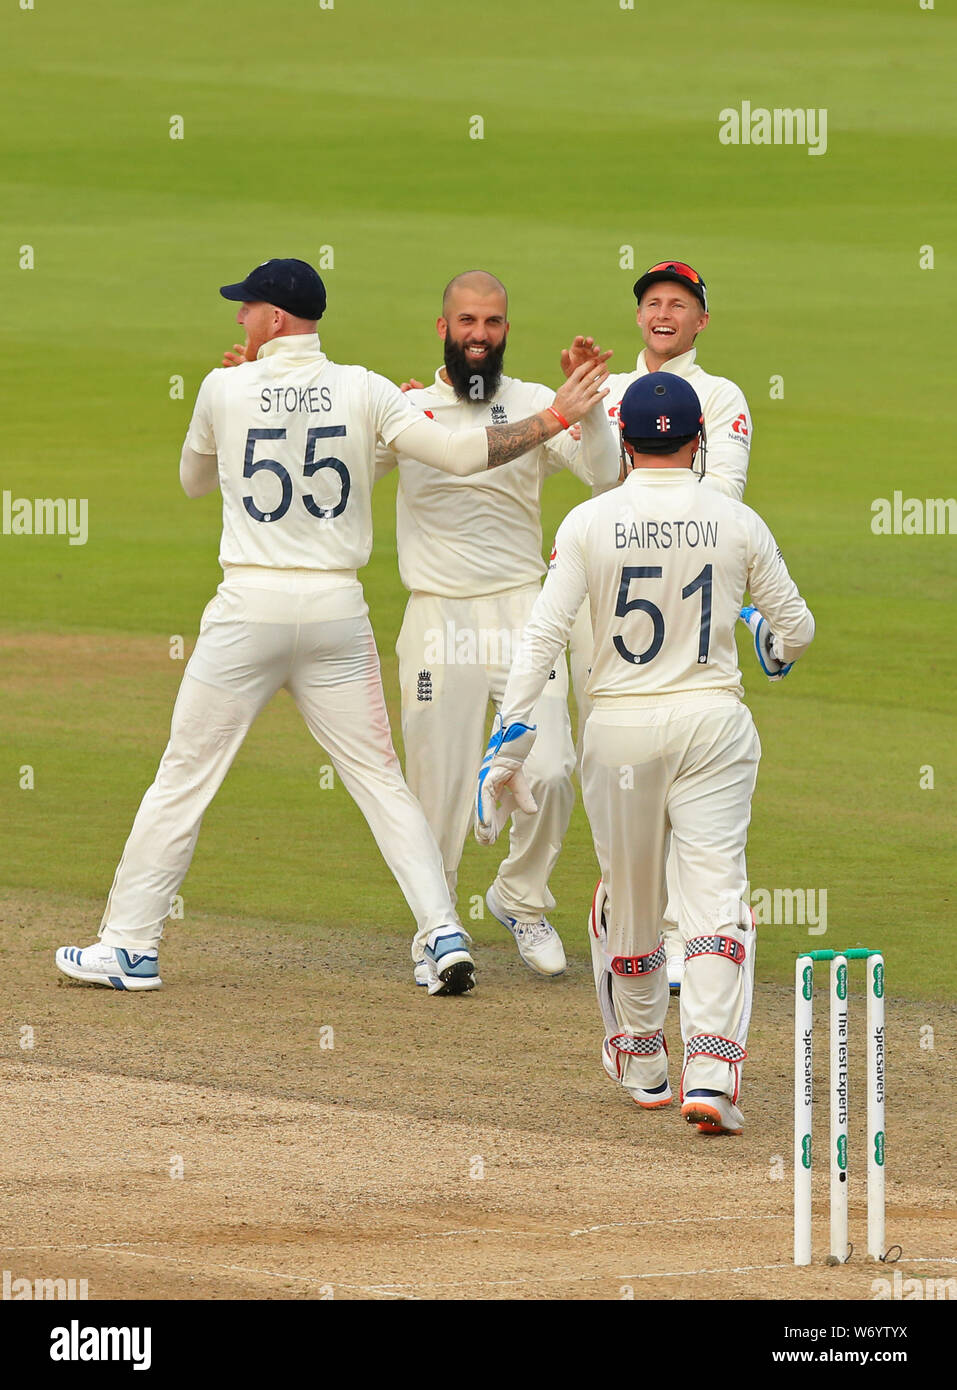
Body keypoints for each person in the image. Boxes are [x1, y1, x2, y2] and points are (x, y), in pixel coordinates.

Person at [54, 258, 609, 997]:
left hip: (250, 609)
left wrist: (235, 404)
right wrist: (553, 418)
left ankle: (128, 947)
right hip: (336, 614)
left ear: (274, 319)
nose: (239, 320)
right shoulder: (370, 389)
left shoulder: (224, 387)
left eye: (245, 308)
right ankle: (442, 930)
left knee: (183, 778)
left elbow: (193, 480)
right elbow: (455, 452)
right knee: (384, 782)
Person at [476, 373, 814, 1135]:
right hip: (712, 722)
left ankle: (640, 1060)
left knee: (627, 897)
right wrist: (770, 643)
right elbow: (797, 630)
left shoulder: (591, 520)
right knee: (715, 892)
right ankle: (712, 1072)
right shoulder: (735, 520)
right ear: (698, 443)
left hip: (619, 729)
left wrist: (507, 739)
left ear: (623, 440)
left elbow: (543, 635)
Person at [377, 270, 618, 983]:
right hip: (435, 611)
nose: (478, 334)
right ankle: (437, 925)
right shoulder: (407, 409)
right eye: (466, 322)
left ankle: (519, 896)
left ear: (506, 330)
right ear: (442, 329)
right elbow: (342, 469)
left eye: (491, 322)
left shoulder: (538, 403)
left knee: (551, 768)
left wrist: (591, 410)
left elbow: (605, 478)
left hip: (521, 609)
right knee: (437, 779)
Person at [563, 261, 754, 991]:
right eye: (651, 302)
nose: (663, 311)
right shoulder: (606, 392)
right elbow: (595, 476)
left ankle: (680, 936)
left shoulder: (720, 395)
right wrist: (584, 410)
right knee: (618, 768)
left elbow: (724, 494)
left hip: (687, 599)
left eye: (679, 303)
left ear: (701, 320)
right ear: (638, 316)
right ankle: (630, 921)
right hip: (609, 603)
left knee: (692, 765)